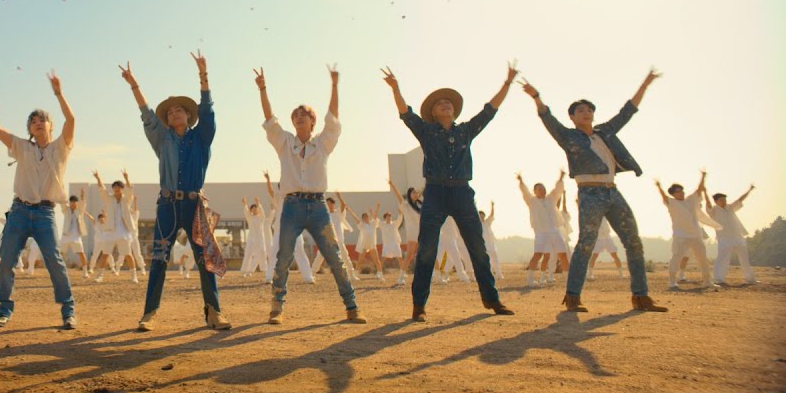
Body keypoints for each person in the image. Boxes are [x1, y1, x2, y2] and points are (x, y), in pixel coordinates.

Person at [519, 67, 668, 312]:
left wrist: (645, 84)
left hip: (612, 191)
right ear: (572, 117)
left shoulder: (605, 132)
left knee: (634, 242)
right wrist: (536, 97)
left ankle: (641, 297)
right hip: (589, 193)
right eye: (580, 110)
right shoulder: (568, 137)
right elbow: (547, 118)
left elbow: (627, 111)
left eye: (589, 109)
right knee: (586, 244)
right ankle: (573, 297)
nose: (586, 112)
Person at [381, 62, 517, 321]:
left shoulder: (466, 130)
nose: (446, 104)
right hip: (435, 192)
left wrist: (507, 83)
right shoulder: (426, 131)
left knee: (478, 247)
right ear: (433, 113)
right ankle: (419, 305)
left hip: (462, 193)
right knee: (427, 249)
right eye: (440, 103)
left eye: (449, 102)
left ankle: (492, 299)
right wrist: (395, 88)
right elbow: (406, 113)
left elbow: (489, 111)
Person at [120, 51, 228, 331]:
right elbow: (146, 115)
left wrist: (203, 76)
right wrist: (134, 85)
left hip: (194, 207)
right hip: (167, 206)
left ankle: (214, 312)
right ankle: (149, 313)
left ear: (189, 116)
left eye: (179, 109)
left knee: (204, 259)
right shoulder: (162, 139)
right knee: (159, 259)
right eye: (169, 112)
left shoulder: (202, 137)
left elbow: (208, 110)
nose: (173, 112)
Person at [257, 64, 365, 325]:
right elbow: (270, 119)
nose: (298, 117)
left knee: (335, 257)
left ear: (312, 121)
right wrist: (262, 89)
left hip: (318, 208)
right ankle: (277, 308)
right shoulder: (284, 142)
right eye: (295, 115)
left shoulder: (322, 143)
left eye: (303, 114)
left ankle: (352, 307)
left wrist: (334, 85)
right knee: (283, 257)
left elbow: (333, 118)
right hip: (291, 206)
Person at [0, 72, 79, 329]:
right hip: (20, 211)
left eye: (42, 119)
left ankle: (68, 310)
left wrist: (58, 93)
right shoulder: (22, 147)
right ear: (30, 130)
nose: (38, 123)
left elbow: (71, 119)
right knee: (7, 260)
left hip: (45, 213)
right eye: (33, 121)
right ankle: (4, 309)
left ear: (51, 126)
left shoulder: (61, 147)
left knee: (54, 261)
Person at [657, 171, 719, 290]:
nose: (681, 193)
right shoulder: (672, 203)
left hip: (695, 235)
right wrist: (659, 186)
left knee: (702, 258)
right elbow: (664, 196)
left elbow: (699, 190)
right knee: (676, 257)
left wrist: (703, 176)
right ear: (673, 194)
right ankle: (672, 281)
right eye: (678, 192)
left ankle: (707, 281)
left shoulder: (690, 200)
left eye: (682, 191)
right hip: (681, 236)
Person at [704, 181, 758, 286]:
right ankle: (718, 279)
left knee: (744, 259)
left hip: (738, 237)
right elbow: (708, 202)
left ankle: (750, 279)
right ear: (716, 201)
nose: (724, 201)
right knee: (722, 259)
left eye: (725, 199)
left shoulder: (730, 207)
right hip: (724, 239)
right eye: (721, 200)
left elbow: (740, 199)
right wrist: (705, 193)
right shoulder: (713, 211)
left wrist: (750, 190)